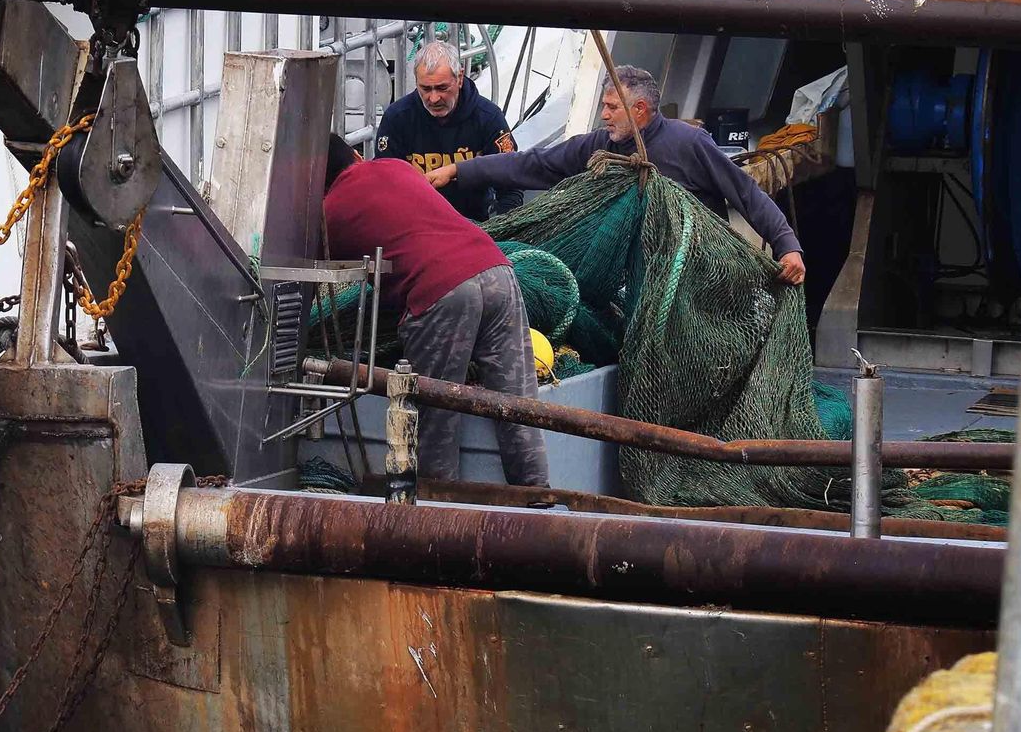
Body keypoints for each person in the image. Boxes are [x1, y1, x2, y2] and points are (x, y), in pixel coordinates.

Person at [427, 65, 807, 284]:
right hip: (633, 274)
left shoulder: (688, 143)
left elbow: (745, 192)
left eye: (611, 107)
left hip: (695, 272)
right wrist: (461, 170)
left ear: (639, 109)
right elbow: (532, 165)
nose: (603, 114)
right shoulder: (597, 146)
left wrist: (786, 244)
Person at [322, 134, 549, 487]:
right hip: (497, 270)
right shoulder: (395, 166)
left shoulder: (329, 212)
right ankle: (539, 502)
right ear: (355, 154)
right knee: (518, 408)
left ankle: (441, 516)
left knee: (436, 420)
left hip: (442, 291)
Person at [374, 41, 524, 222]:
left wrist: (501, 229)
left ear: (459, 78)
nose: (434, 98)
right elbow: (385, 184)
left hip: (475, 224)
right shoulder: (397, 119)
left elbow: (510, 183)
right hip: (414, 225)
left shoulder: (488, 118)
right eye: (426, 89)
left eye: (442, 88)